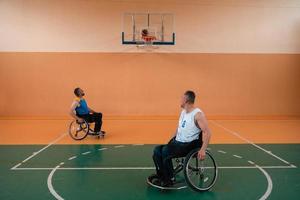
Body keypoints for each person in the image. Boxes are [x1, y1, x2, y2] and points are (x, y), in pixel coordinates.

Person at [150, 90, 211, 187]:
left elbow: (207, 132)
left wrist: (203, 149)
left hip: (188, 145)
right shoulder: (183, 112)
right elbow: (179, 129)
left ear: (186, 100)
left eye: (181, 98)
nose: (180, 100)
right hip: (177, 143)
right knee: (157, 150)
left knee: (165, 152)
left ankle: (169, 179)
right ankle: (162, 175)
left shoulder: (197, 115)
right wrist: (170, 141)